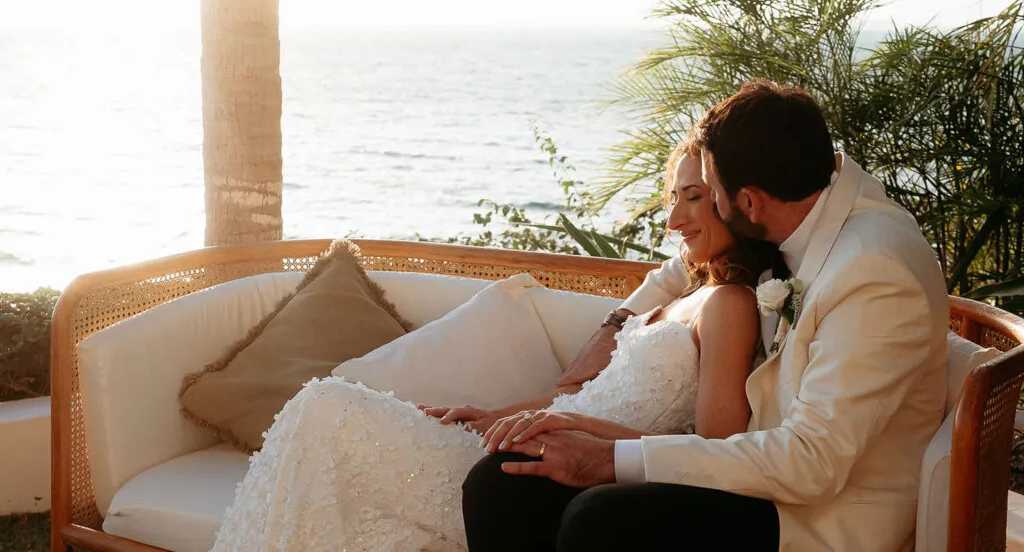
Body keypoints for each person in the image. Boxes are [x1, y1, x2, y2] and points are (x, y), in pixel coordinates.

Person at [209, 142, 774, 552]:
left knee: (325, 406)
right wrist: (497, 415)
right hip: (538, 440)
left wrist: (584, 432)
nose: (675, 219)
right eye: (673, 199)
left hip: (561, 470)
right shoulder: (680, 295)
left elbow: (716, 444)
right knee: (320, 408)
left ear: (732, 200)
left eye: (694, 198)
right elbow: (586, 396)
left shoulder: (730, 305)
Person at [462, 78, 949, 552]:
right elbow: (681, 268)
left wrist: (609, 457)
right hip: (764, 470)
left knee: (601, 521)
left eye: (709, 193)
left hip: (824, 516)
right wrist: (613, 328)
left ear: (750, 202)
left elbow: (811, 463)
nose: (702, 209)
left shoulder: (874, 274)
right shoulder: (805, 202)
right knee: (502, 483)